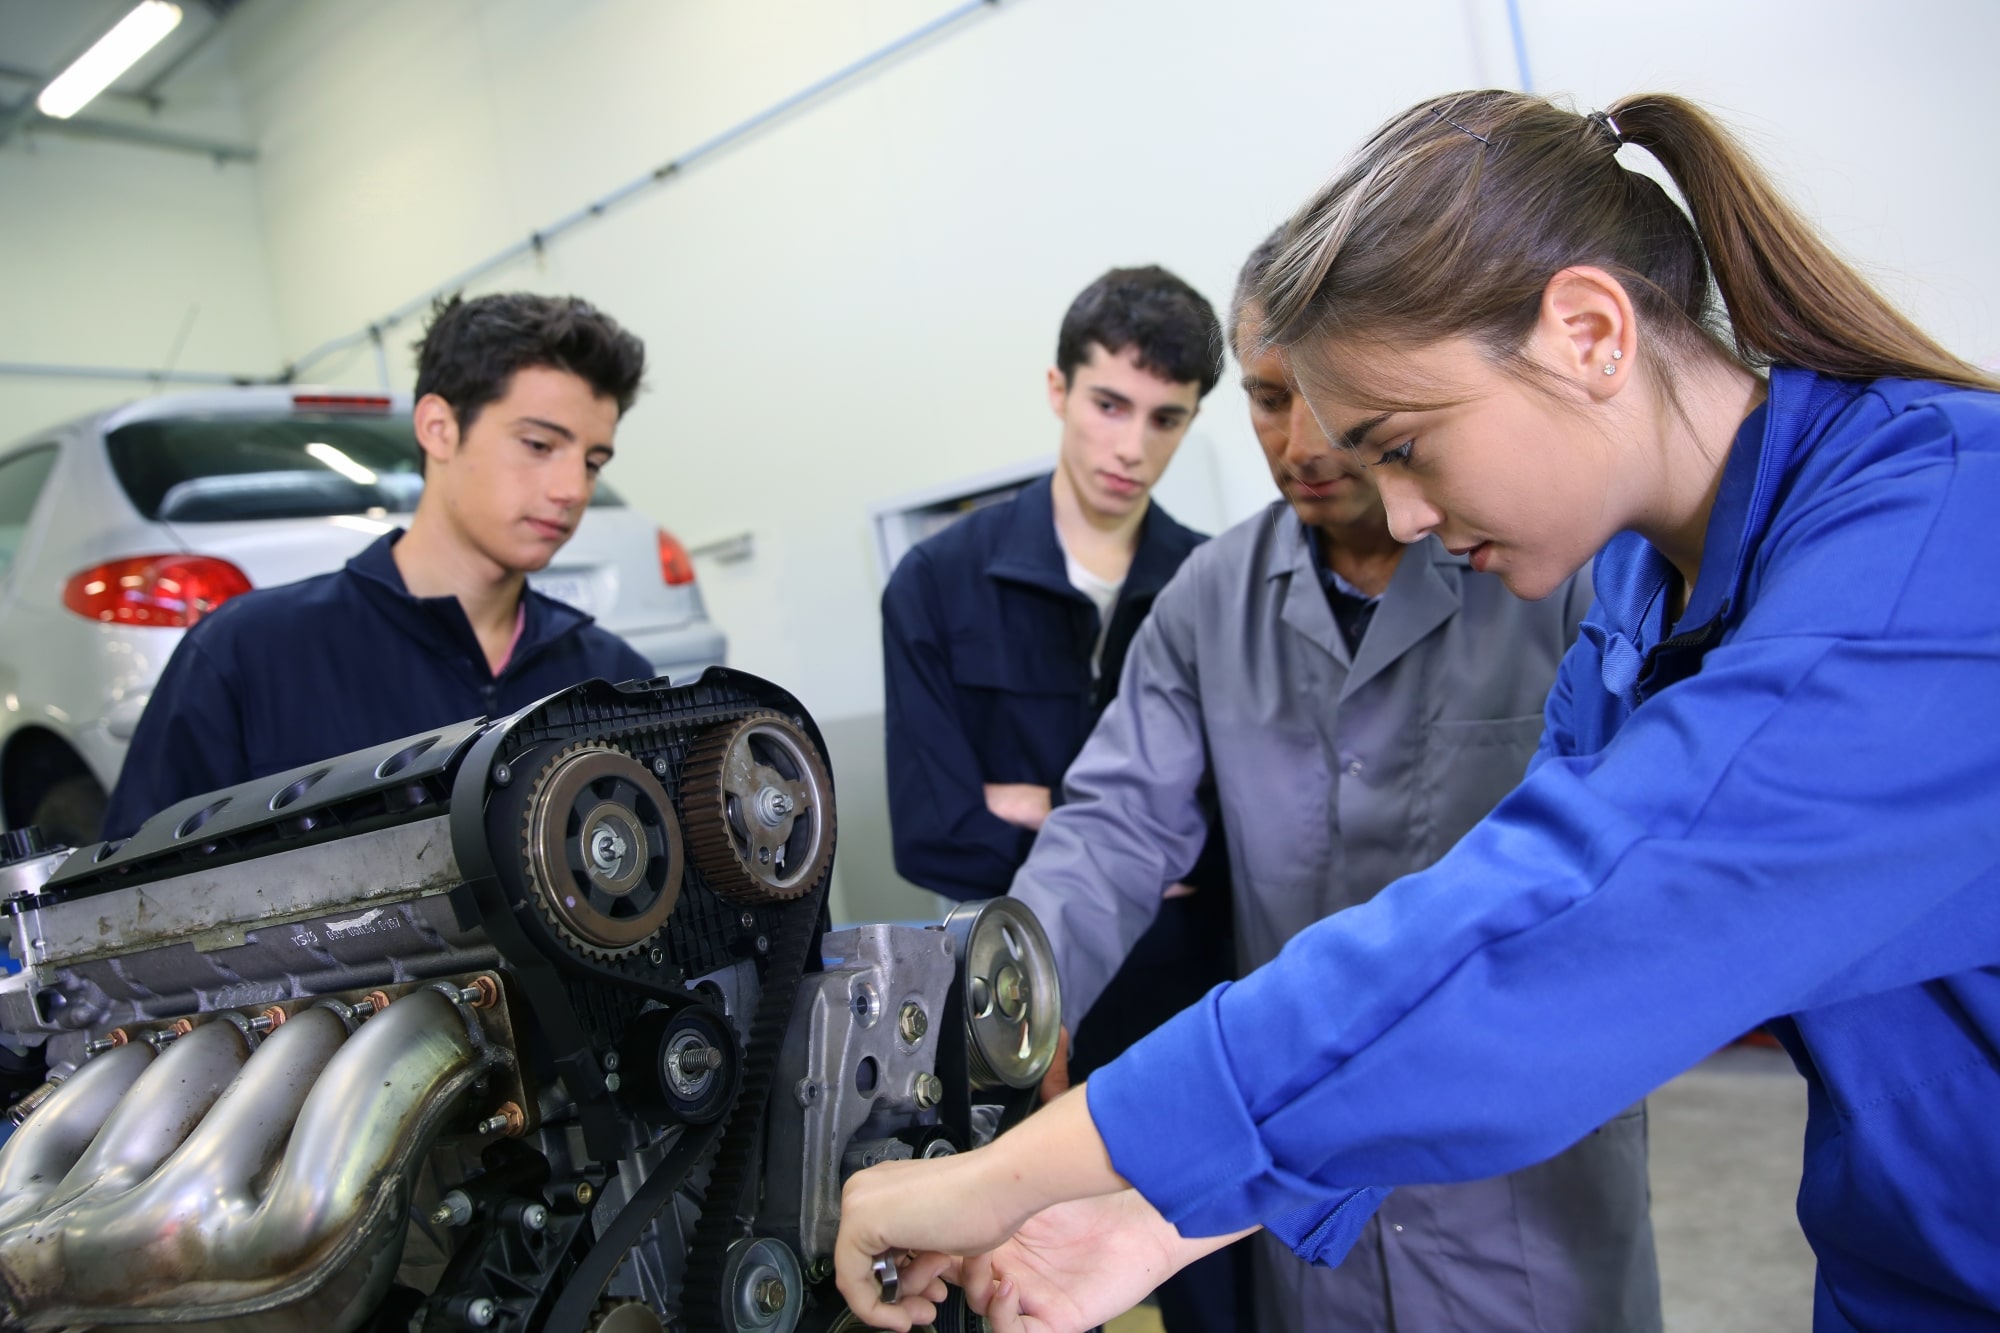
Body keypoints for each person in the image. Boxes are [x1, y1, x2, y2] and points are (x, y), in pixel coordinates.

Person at [834, 89, 2000, 1333]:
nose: (1395, 514)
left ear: (1588, 332)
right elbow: (1445, 961)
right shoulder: (1633, 607)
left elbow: (1527, 938)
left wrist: (1004, 1176)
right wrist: (1149, 1217)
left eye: (1401, 444)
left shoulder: (1933, 539)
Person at [1006, 228, 1656, 1331]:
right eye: (1265, 399)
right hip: (1300, 1222)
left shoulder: (1552, 569)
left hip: (1519, 1201)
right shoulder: (1208, 600)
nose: (1299, 442)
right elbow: (1111, 827)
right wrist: (1007, 1002)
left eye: (1326, 401)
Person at [880, 264, 1242, 1329]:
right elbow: (932, 830)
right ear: (1057, 389)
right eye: (1108, 404)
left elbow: (1241, 841)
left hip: (1184, 1005)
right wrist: (1126, 842)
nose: (1131, 445)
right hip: (1012, 1006)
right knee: (1012, 1285)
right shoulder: (938, 584)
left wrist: (1033, 805)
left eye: (1165, 418)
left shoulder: (1211, 587)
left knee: (1214, 1285)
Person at [104, 293, 654, 839]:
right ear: (438, 427)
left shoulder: (614, 681)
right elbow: (131, 904)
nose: (572, 489)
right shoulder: (247, 657)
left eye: (592, 462)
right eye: (538, 445)